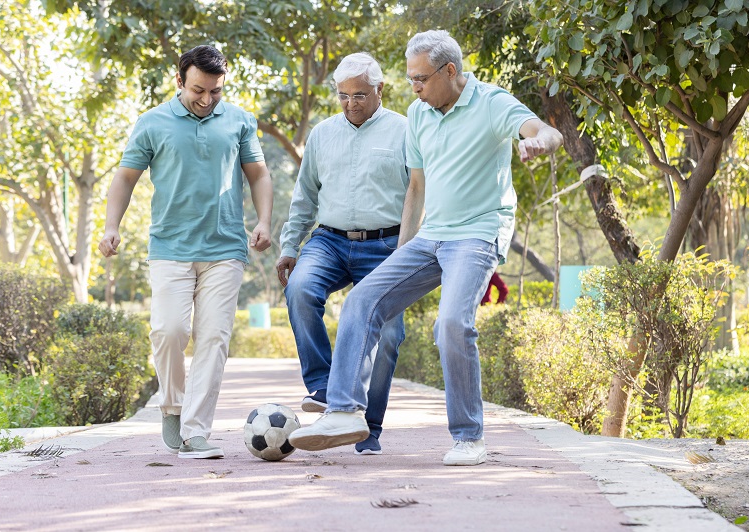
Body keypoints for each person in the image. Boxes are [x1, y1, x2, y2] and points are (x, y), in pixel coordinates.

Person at [288, 30, 563, 466]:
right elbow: (415, 188)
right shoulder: (419, 114)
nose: (413, 88)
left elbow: (546, 131)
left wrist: (536, 143)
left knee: (452, 323)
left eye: (420, 79)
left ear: (449, 71)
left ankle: (469, 436)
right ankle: (342, 412)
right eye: (411, 79)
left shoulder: (492, 103)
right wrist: (399, 255)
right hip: (430, 236)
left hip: (476, 234)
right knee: (362, 301)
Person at [98, 45, 273, 459]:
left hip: (225, 246)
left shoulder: (239, 121)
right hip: (170, 246)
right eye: (198, 90)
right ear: (179, 81)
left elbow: (259, 174)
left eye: (215, 91)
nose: (207, 99)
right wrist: (110, 227)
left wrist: (264, 220)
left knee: (213, 338)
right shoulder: (152, 123)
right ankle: (172, 406)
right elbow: (125, 179)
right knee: (169, 330)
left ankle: (196, 431)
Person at [276, 52, 409, 455]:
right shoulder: (322, 134)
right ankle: (324, 383)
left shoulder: (406, 130)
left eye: (360, 95)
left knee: (388, 335)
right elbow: (304, 197)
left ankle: (368, 428)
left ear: (380, 90)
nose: (351, 102)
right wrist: (289, 245)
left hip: (388, 244)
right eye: (344, 95)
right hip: (330, 240)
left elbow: (421, 194)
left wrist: (412, 248)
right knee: (299, 288)